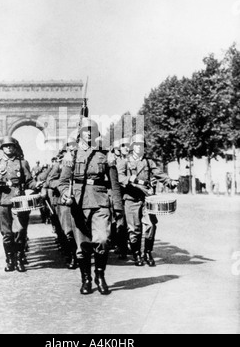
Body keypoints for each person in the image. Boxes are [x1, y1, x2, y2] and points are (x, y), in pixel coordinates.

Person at [58, 118, 124, 295]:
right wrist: (65, 193)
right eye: (86, 130)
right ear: (80, 133)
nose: (89, 133)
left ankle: (100, 275)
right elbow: (62, 182)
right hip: (78, 203)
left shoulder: (105, 153)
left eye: (92, 131)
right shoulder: (70, 155)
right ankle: (86, 278)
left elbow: (114, 184)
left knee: (102, 239)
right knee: (83, 245)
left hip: (100, 201)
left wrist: (118, 209)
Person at [118, 134, 178, 267]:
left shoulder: (148, 162)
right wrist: (130, 180)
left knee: (151, 225)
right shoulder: (124, 161)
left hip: (147, 199)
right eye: (137, 145)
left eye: (142, 145)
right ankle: (136, 254)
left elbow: (159, 174)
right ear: (132, 147)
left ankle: (147, 252)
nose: (139, 148)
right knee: (134, 229)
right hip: (131, 199)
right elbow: (120, 177)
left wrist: (170, 182)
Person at [0, 136, 41, 273]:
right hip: (2, 200)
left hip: (19, 201)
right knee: (7, 233)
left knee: (20, 231)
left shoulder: (22, 163)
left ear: (15, 148)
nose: (9, 148)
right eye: (6, 146)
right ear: (2, 149)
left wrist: (36, 185)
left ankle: (20, 259)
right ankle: (10, 260)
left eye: (11, 146)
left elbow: (29, 181)